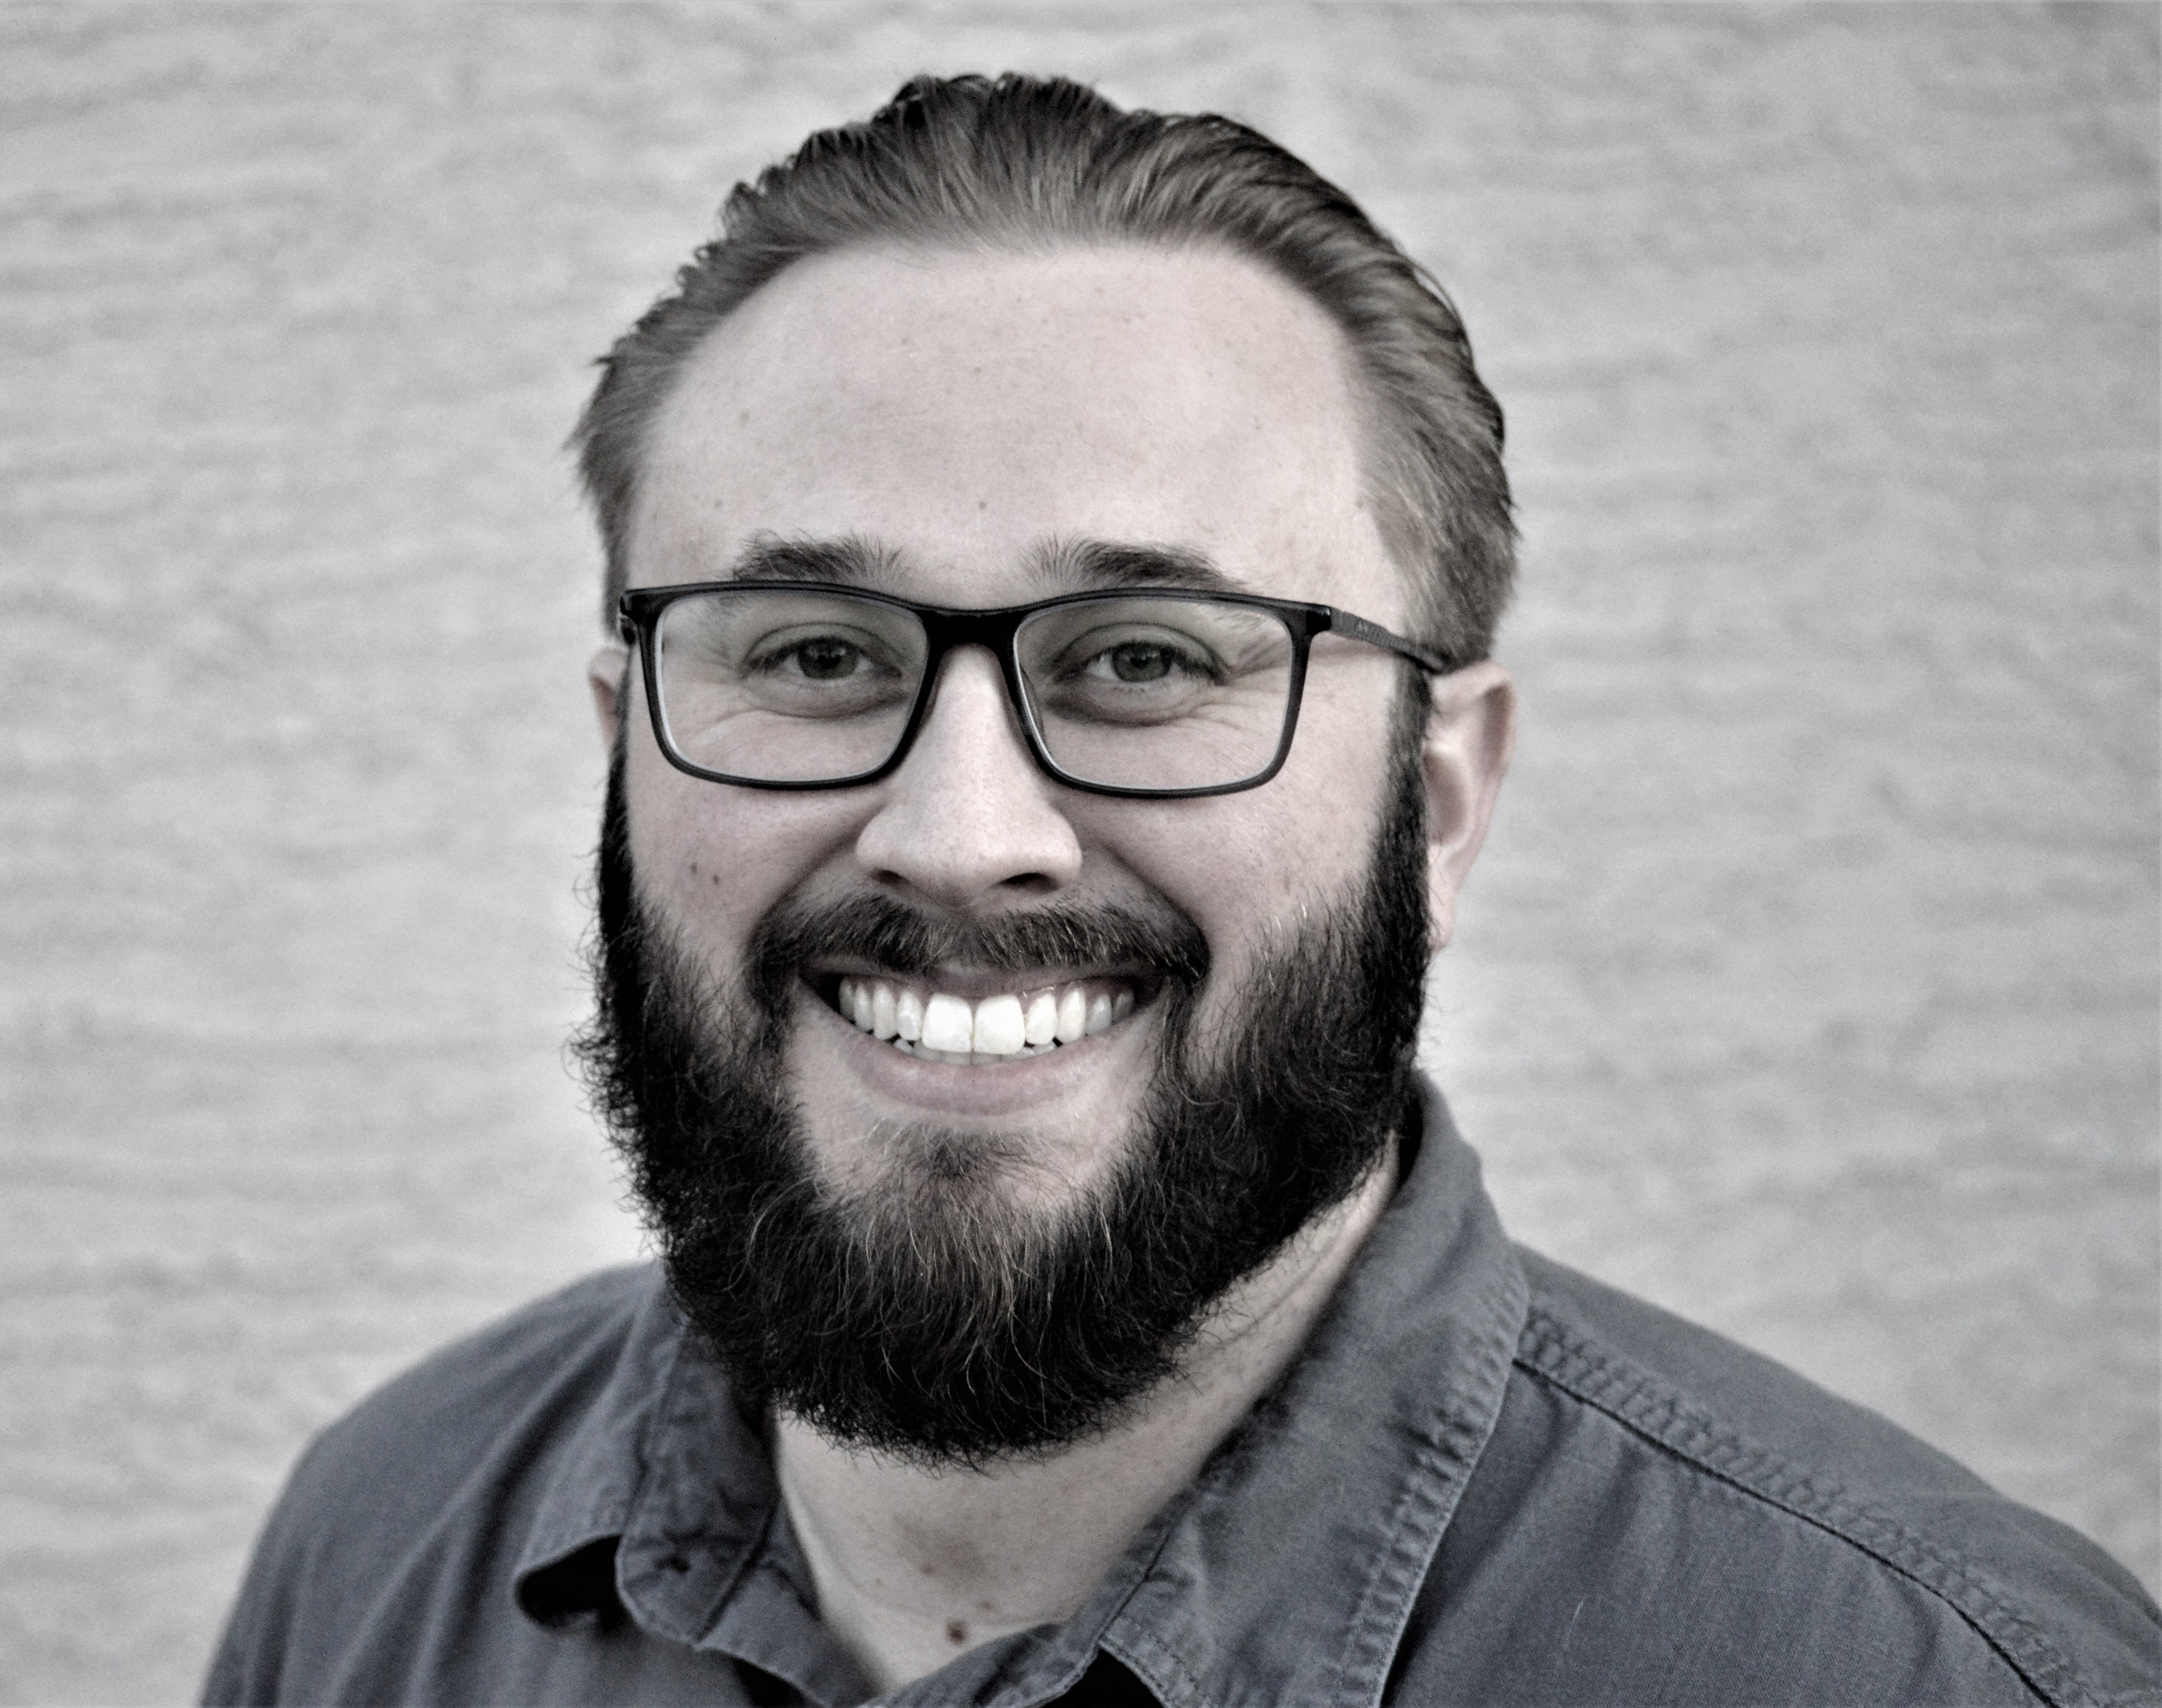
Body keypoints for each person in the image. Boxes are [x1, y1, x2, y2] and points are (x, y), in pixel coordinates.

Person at [203, 74, 2158, 1708]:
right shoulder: (387, 1538)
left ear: (1437, 800)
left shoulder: (1924, 1677)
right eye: (811, 654)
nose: (959, 831)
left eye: (1145, 659)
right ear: (626, 742)